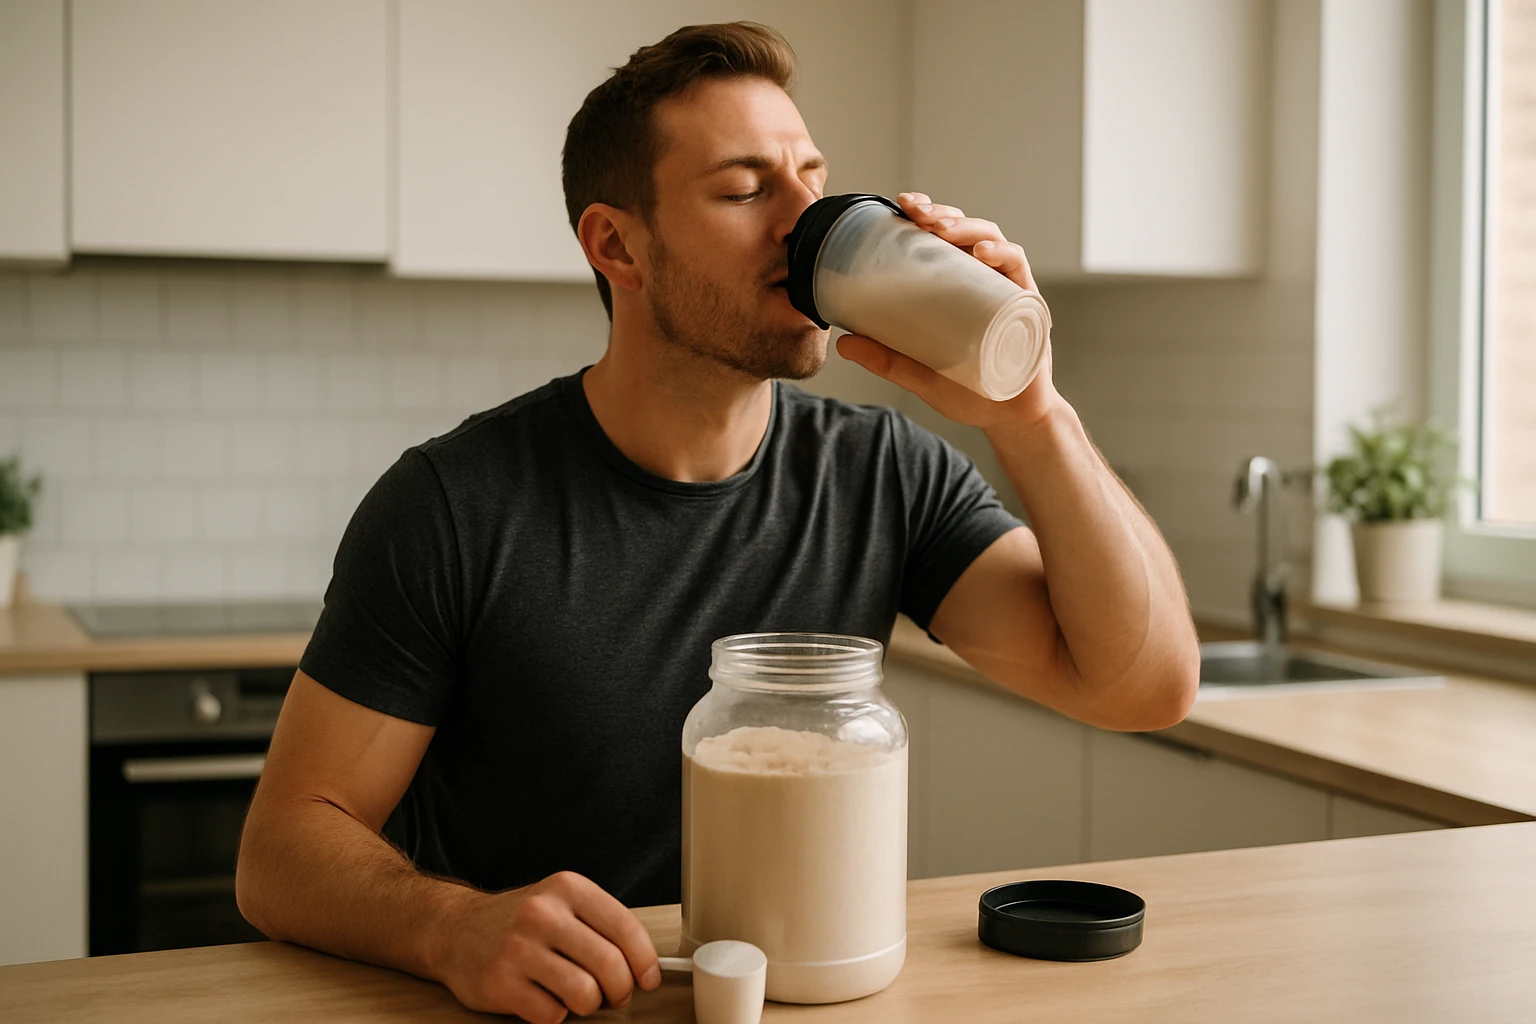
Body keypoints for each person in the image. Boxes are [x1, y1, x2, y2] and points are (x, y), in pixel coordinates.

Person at [235, 21, 1199, 1024]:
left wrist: (1032, 412)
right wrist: (451, 928)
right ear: (618, 244)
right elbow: (282, 851)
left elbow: (1143, 683)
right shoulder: (455, 506)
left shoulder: (881, 473)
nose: (805, 218)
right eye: (744, 190)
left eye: (812, 176)